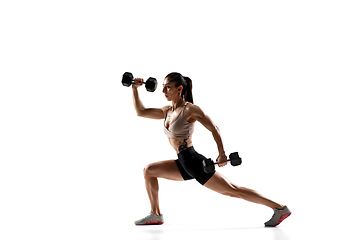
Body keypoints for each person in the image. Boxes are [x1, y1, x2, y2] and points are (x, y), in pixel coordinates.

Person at [130, 72, 291, 227]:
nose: (163, 91)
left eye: (168, 87)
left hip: (193, 161)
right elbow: (141, 112)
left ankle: (279, 208)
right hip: (182, 162)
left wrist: (221, 153)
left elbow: (214, 128)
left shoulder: (189, 109)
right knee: (149, 170)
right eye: (164, 87)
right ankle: (156, 214)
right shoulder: (167, 111)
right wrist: (135, 89)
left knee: (232, 190)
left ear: (179, 89)